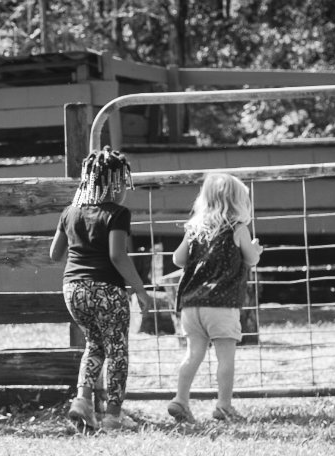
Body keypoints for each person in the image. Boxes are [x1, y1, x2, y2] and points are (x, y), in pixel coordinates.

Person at [50, 148, 153, 431]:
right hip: (106, 291)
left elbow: (54, 253)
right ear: (115, 183)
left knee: (94, 346)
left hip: (73, 290)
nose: (125, 190)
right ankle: (113, 417)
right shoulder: (117, 214)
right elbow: (117, 256)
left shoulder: (70, 211)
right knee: (117, 350)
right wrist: (141, 290)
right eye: (124, 183)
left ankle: (82, 400)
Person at [166, 173, 263, 423]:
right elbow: (251, 259)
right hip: (222, 303)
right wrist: (255, 249)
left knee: (193, 354)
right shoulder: (238, 228)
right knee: (225, 358)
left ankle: (180, 399)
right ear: (238, 201)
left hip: (192, 304)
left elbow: (177, 259)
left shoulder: (195, 227)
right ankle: (223, 405)